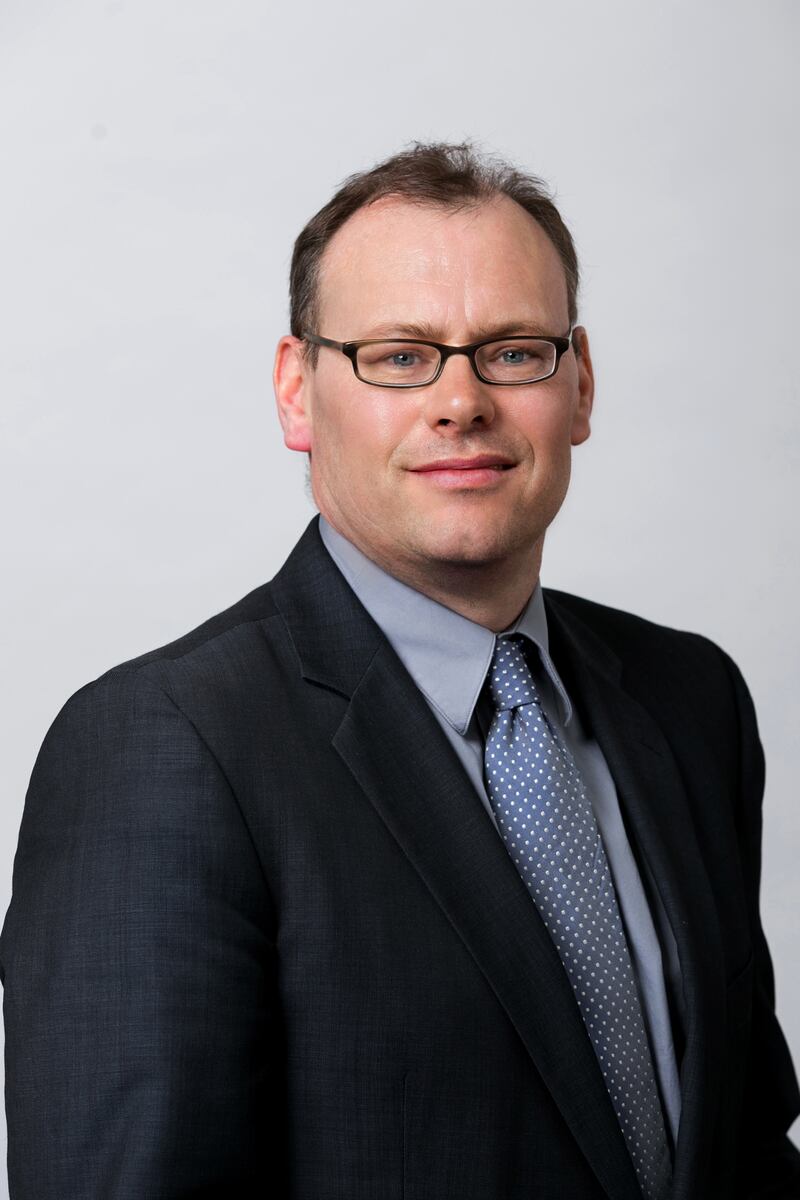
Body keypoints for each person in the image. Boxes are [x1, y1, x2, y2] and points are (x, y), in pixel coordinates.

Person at [1, 141, 798, 1200]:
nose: (459, 402)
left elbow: (739, 1146)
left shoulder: (687, 700)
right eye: (398, 355)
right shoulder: (161, 751)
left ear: (580, 385)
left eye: (513, 351)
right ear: (297, 392)